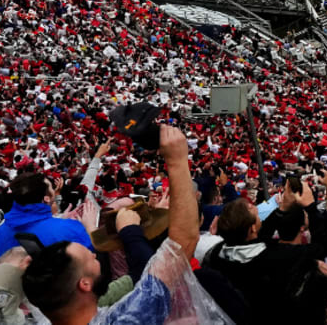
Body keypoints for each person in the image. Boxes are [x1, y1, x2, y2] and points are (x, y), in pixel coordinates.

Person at [18, 122, 205, 325]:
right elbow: (183, 243)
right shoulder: (124, 319)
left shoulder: (47, 313)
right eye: (88, 257)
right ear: (84, 284)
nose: (93, 253)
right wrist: (177, 161)